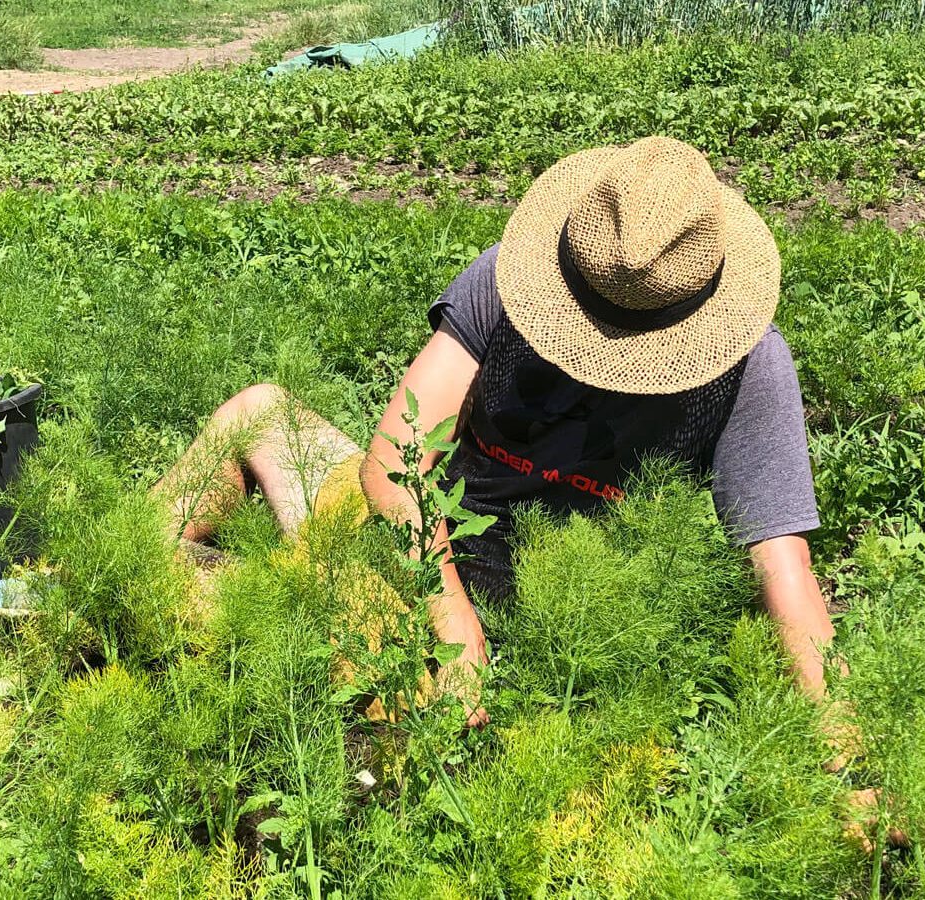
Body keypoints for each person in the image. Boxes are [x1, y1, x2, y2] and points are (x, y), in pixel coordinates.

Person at [154, 136, 835, 732]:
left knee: (322, 656)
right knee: (260, 412)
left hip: (556, 616)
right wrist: (449, 614)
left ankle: (193, 592)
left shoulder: (749, 365)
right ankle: (108, 573)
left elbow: (781, 566)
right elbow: (396, 462)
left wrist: (842, 752)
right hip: (420, 554)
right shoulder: (507, 281)